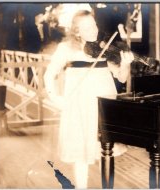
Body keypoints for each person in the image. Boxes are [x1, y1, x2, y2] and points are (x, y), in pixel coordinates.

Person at [43, 10, 133, 189]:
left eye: (94, 25)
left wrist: (126, 64)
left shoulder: (104, 48)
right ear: (76, 31)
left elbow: (122, 78)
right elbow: (48, 76)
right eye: (88, 27)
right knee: (81, 156)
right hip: (79, 108)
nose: (94, 30)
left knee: (106, 153)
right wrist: (56, 99)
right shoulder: (66, 49)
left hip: (104, 106)